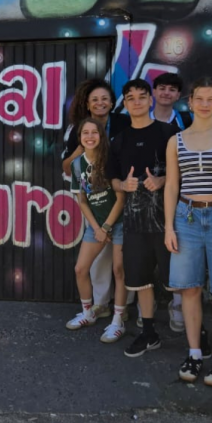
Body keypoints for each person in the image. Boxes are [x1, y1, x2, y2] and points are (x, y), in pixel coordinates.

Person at [164, 78, 212, 386]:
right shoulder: (177, 140)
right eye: (200, 98)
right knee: (189, 289)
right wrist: (169, 225)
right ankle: (194, 353)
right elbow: (172, 185)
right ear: (191, 101)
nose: (206, 104)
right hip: (187, 216)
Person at [106, 79, 177, 357]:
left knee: (179, 281)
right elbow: (112, 179)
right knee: (141, 280)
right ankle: (149, 334)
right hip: (134, 224)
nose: (136, 101)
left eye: (141, 96)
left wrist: (162, 180)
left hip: (169, 221)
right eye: (130, 97)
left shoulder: (169, 133)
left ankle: (198, 335)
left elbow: (185, 171)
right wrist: (123, 185)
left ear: (151, 100)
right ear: (125, 104)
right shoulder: (118, 140)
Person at [65, 119, 126, 342]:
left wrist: (107, 227)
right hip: (96, 224)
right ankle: (88, 312)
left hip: (118, 222)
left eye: (94, 132)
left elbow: (121, 198)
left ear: (101, 135)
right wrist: (96, 227)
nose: (90, 137)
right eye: (85, 133)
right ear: (80, 137)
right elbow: (82, 200)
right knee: (81, 269)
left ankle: (118, 321)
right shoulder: (77, 164)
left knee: (119, 270)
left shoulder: (111, 160)